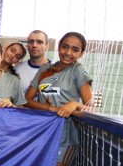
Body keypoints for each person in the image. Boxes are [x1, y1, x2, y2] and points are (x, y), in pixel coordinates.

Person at [24, 32, 92, 166]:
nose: (68, 52)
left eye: (75, 49)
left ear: (82, 53)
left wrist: (74, 104)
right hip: (41, 131)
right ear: (58, 47)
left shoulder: (77, 70)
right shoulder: (45, 68)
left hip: (64, 137)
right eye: (65, 47)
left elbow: (91, 107)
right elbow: (27, 100)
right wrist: (51, 108)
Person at [15, 30, 51, 94]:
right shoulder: (18, 69)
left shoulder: (57, 68)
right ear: (27, 45)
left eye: (39, 42)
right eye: (31, 42)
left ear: (47, 46)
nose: (34, 45)